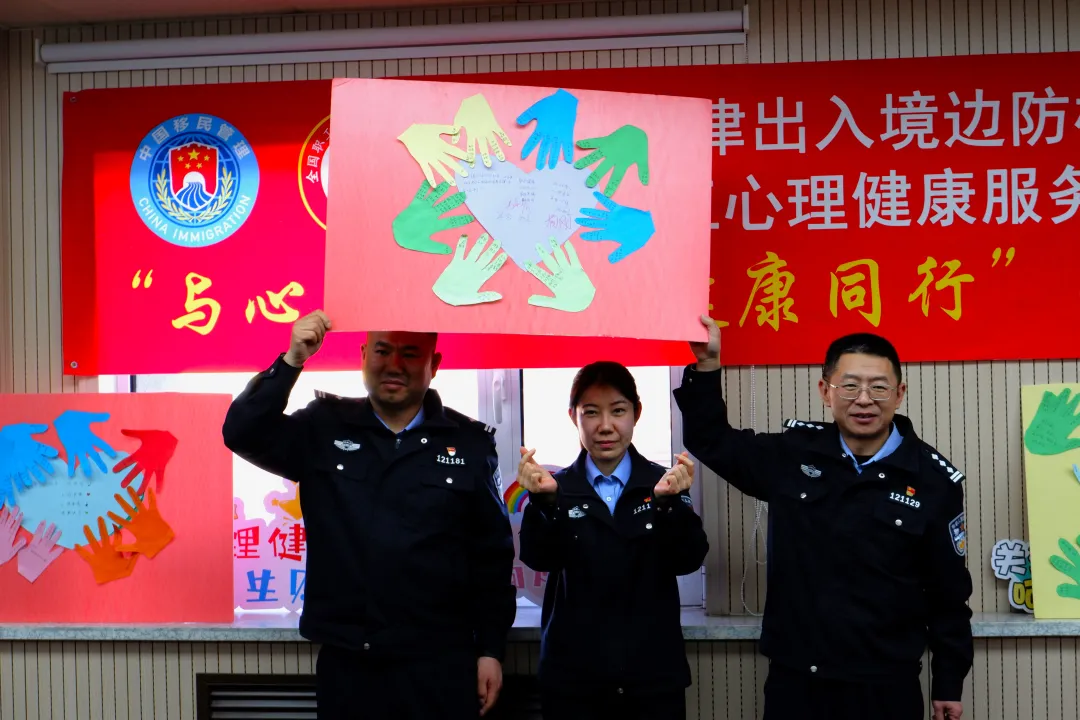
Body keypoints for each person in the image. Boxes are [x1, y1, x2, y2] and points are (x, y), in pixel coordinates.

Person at [673, 316, 973, 720]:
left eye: (879, 387)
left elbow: (948, 594)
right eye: (849, 386)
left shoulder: (933, 480)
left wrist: (948, 682)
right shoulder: (793, 455)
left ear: (899, 394)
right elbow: (712, 441)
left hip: (887, 685)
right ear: (825, 391)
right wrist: (708, 366)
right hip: (797, 683)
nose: (864, 399)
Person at [222, 310, 516, 720]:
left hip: (440, 662)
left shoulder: (469, 444)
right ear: (363, 355)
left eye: (410, 354)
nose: (394, 365)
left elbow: (491, 557)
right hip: (350, 663)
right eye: (382, 350)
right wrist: (292, 361)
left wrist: (490, 649)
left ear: (434, 364)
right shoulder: (324, 426)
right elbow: (241, 432)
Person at [516, 361, 709, 720]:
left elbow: (688, 559)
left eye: (618, 411)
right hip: (574, 682)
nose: (605, 426)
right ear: (574, 417)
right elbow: (538, 557)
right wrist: (545, 504)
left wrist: (669, 507)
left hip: (651, 679)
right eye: (591, 412)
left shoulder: (663, 484)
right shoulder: (555, 488)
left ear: (636, 413)